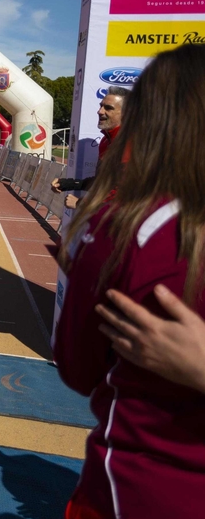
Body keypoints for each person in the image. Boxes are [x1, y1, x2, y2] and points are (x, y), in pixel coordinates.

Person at [54, 43, 205, 519]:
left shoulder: (129, 232)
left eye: (112, 106)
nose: (101, 112)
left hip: (142, 487)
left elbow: (78, 369)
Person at [53, 87, 129, 209]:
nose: (100, 111)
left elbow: (123, 190)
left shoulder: (130, 142)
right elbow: (102, 181)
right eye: (101, 106)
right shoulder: (105, 140)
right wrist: (70, 184)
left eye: (108, 108)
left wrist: (81, 203)